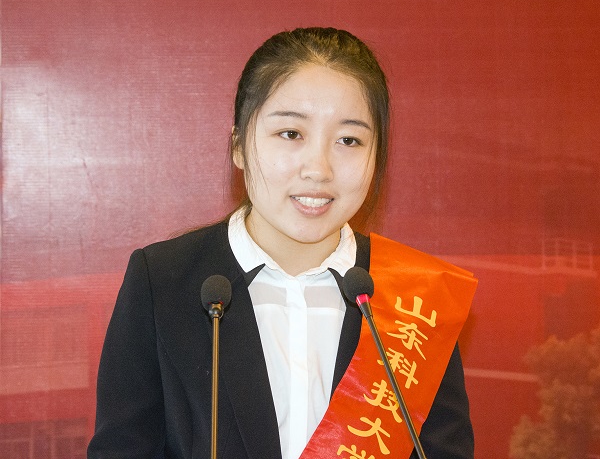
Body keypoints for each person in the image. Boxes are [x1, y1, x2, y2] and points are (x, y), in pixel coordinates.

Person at [88, 27, 476, 459]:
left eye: (349, 140)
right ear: (238, 145)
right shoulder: (163, 283)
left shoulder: (414, 300)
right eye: (291, 134)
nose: (319, 169)